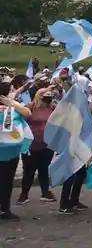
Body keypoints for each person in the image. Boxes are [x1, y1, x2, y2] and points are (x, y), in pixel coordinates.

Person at [18, 86, 56, 205]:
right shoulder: (30, 107)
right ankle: (24, 195)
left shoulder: (53, 108)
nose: (48, 98)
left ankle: (45, 192)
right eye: (46, 96)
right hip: (31, 144)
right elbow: (21, 119)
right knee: (29, 170)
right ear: (39, 96)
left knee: (44, 169)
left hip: (47, 144)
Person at [0, 81, 32, 220]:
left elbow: (27, 112)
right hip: (7, 151)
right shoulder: (13, 109)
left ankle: (4, 209)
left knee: (7, 182)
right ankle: (4, 209)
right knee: (6, 182)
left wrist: (11, 103)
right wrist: (12, 104)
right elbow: (27, 112)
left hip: (11, 152)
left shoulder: (13, 108)